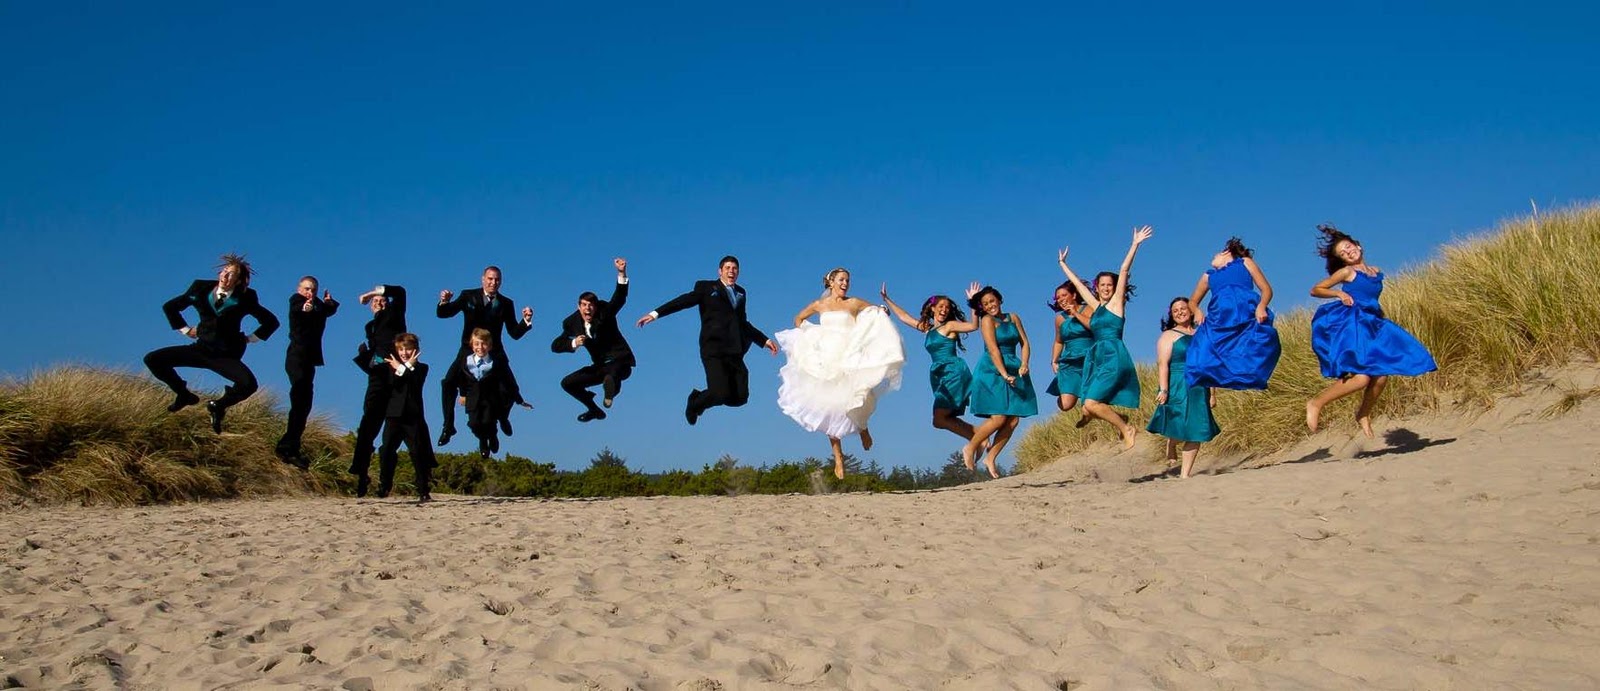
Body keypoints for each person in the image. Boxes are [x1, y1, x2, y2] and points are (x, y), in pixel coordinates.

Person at [1307, 224, 1438, 437]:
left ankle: (1363, 414)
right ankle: (1316, 403)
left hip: (1373, 323)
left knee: (1382, 376)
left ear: (1358, 245)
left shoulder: (1376, 272)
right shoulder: (1347, 272)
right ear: (1343, 260)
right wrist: (1339, 295)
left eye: (1349, 247)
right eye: (1343, 253)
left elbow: (1371, 299)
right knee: (1361, 378)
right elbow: (1316, 289)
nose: (1348, 252)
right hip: (1353, 324)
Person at [776, 268, 906, 479]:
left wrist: (882, 308)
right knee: (829, 406)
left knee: (859, 395)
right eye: (841, 280)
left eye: (847, 280)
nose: (845, 283)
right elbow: (798, 319)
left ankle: (863, 427)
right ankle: (838, 456)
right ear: (831, 282)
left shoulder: (853, 303)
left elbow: (875, 311)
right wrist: (811, 334)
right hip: (827, 359)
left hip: (849, 355)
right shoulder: (820, 305)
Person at [144, 253, 280, 434]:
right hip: (200, 349)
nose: (225, 276)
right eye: (224, 271)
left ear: (239, 281)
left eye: (231, 274)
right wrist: (185, 329)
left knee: (249, 385)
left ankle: (218, 406)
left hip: (224, 355)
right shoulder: (200, 288)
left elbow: (271, 322)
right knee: (153, 359)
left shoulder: (247, 297)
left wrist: (250, 338)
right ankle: (184, 395)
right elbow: (170, 307)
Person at [637, 255, 778, 425]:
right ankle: (695, 403)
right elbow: (683, 301)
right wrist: (655, 314)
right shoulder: (706, 288)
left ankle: (711, 395)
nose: (731, 271)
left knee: (740, 398)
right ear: (720, 271)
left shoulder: (741, 292)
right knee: (720, 394)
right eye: (727, 268)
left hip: (734, 351)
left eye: (734, 268)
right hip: (713, 349)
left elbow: (743, 323)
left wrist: (764, 341)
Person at [1057, 226, 1153, 450]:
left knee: (1091, 403)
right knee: (1088, 406)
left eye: (1110, 284)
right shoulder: (1095, 306)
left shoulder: (1117, 304)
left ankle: (1126, 429)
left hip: (1112, 354)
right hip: (1097, 356)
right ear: (1097, 288)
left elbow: (1124, 268)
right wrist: (1063, 265)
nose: (1107, 288)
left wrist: (1135, 244)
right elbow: (1080, 288)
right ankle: (1117, 421)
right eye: (1103, 285)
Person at [436, 266, 533, 446]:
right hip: (468, 350)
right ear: (483, 279)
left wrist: (526, 322)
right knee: (448, 382)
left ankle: (502, 417)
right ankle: (448, 426)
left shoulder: (506, 303)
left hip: (495, 352)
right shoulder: (468, 296)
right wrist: (444, 302)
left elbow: (514, 333)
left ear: (500, 282)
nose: (492, 283)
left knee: (510, 389)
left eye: (496, 280)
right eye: (489, 279)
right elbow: (444, 314)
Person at [881, 283, 982, 445]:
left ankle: (979, 438)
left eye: (947, 308)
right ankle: (979, 438)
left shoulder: (950, 326)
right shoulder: (928, 329)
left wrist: (974, 302)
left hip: (953, 372)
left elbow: (973, 326)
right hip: (940, 375)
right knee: (939, 420)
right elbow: (904, 317)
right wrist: (887, 300)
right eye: (941, 306)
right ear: (933, 308)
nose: (944, 310)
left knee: (940, 417)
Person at [959, 285, 1037, 478]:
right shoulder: (987, 320)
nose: (990, 306)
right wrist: (1003, 374)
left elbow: (1025, 343)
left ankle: (990, 457)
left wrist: (1025, 363)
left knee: (1014, 419)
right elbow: (993, 350)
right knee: (999, 417)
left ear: (1000, 300)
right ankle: (971, 447)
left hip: (1013, 366)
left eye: (992, 301)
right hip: (992, 370)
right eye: (985, 304)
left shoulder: (1014, 317)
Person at [1185, 237, 1281, 390]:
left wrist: (1262, 306)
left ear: (1226, 252)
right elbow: (1192, 301)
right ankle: (1214, 378)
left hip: (1246, 314)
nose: (1212, 257)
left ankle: (1248, 377)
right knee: (1200, 357)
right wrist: (1196, 311)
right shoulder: (1208, 276)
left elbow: (1266, 289)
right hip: (1219, 319)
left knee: (1256, 347)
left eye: (1215, 255)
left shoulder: (1245, 263)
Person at [551, 258, 636, 422]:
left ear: (596, 307)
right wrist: (574, 343)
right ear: (578, 307)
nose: (587, 309)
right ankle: (594, 410)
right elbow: (555, 345)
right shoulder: (571, 322)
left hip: (621, 361)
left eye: (591, 305)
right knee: (567, 383)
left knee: (612, 376)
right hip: (599, 366)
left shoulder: (605, 313)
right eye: (584, 305)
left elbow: (619, 298)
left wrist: (621, 273)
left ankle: (610, 390)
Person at [1146, 298, 1219, 478]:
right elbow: (1163, 364)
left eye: (1183, 308)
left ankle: (1184, 474)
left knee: (1196, 428)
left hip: (1199, 384)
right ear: (1171, 315)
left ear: (1191, 310)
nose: (1179, 312)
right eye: (1175, 310)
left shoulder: (1202, 334)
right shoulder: (1168, 335)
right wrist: (1163, 390)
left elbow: (1209, 365)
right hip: (1178, 382)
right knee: (1179, 421)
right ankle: (1172, 443)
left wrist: (1212, 393)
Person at [349, 283, 407, 497]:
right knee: (367, 427)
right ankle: (361, 473)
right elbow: (375, 356)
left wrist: (371, 292)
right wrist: (366, 354)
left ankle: (385, 483)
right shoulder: (370, 327)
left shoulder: (395, 314)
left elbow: (400, 292)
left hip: (397, 380)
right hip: (377, 380)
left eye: (382, 300)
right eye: (375, 302)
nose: (379, 303)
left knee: (391, 434)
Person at [275, 275, 338, 468]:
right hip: (296, 357)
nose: (309, 293)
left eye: (313, 290)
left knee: (304, 405)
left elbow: (328, 310)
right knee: (300, 400)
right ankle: (286, 447)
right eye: (306, 289)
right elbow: (299, 308)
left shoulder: (318, 304)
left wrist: (329, 303)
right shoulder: (297, 300)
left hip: (309, 361)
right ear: (299, 288)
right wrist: (305, 308)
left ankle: (291, 447)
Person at [375, 333, 436, 502]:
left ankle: (423, 489)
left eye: (407, 349)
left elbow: (412, 382)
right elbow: (394, 384)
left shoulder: (422, 368)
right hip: (393, 415)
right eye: (401, 349)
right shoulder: (389, 367)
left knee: (417, 452)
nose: (404, 352)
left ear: (415, 349)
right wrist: (399, 368)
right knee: (386, 450)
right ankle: (384, 486)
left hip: (412, 417)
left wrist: (404, 367)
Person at [453, 329, 523, 457]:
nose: (480, 347)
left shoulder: (495, 362)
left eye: (484, 344)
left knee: (487, 421)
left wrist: (518, 398)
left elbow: (507, 379)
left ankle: (492, 435)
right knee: (474, 423)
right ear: (472, 345)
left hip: (490, 399)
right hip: (473, 399)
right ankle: (483, 438)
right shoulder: (465, 361)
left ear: (490, 346)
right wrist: (462, 394)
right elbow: (461, 379)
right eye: (477, 344)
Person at [1044, 280, 1095, 424]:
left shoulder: (1088, 309)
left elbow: (1094, 327)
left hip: (1089, 357)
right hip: (1069, 361)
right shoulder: (1059, 319)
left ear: (1073, 295)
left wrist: (1075, 313)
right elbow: (1059, 341)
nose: (1060, 299)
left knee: (1090, 404)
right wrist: (1054, 360)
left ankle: (1088, 407)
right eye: (1058, 298)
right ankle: (1075, 391)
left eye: (1063, 295)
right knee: (1065, 405)